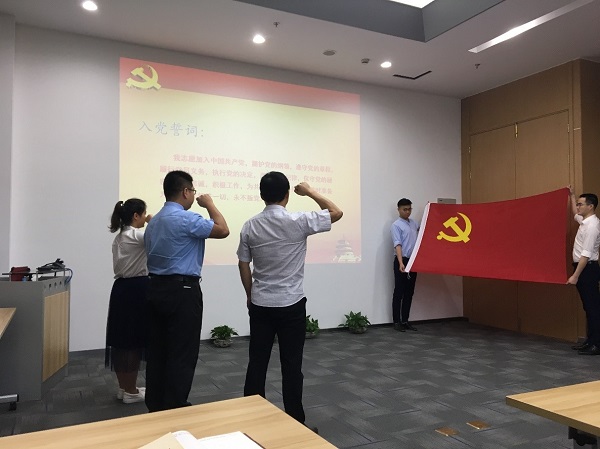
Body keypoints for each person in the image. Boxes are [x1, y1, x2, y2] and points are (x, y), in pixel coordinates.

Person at [237, 172, 342, 425]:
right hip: (291, 303)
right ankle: (295, 420)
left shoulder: (250, 225)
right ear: (287, 195)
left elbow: (243, 264)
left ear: (261, 195)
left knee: (257, 363)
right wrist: (310, 191)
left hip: (261, 303)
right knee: (292, 365)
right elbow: (336, 212)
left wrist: (250, 294)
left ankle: (252, 418)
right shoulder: (299, 221)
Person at [144, 170, 229, 411]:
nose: (193, 195)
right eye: (192, 191)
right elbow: (223, 229)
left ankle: (156, 406)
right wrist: (209, 204)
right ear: (185, 191)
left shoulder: (154, 222)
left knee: (158, 352)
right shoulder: (186, 219)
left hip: (155, 288)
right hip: (182, 291)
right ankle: (175, 407)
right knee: (182, 352)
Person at [106, 198, 152, 404]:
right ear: (136, 215)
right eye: (143, 214)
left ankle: (124, 387)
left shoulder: (119, 238)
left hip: (121, 289)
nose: (145, 217)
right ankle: (131, 391)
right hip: (137, 288)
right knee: (133, 342)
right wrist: (153, 221)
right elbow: (161, 235)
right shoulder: (137, 236)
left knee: (122, 342)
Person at [567, 188, 600, 355]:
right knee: (589, 307)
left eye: (581, 204)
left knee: (593, 308)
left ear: (590, 206)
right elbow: (575, 214)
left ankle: (597, 344)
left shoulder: (592, 226)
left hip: (587, 269)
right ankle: (590, 341)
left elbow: (585, 255)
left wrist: (575, 276)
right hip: (584, 269)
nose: (578, 207)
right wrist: (572, 196)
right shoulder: (585, 221)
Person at [390, 198, 419, 332]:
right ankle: (396, 321)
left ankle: (405, 320)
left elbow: (423, 231)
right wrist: (401, 262)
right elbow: (398, 244)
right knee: (399, 292)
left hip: (413, 261)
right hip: (402, 261)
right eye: (405, 209)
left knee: (409, 292)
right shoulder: (396, 225)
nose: (407, 212)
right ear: (399, 210)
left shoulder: (413, 223)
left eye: (409, 209)